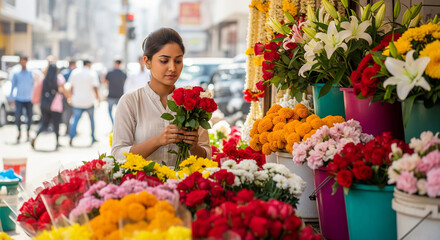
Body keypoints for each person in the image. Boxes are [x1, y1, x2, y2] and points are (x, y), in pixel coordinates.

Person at [111, 28, 212, 165]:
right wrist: (157, 141)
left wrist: (194, 147)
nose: (172, 68)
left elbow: (206, 157)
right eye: (164, 61)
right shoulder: (131, 101)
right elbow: (118, 154)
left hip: (184, 183)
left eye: (178, 61)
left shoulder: (192, 102)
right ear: (147, 62)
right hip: (142, 184)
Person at [30, 61, 67, 150]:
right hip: (56, 104)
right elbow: (63, 90)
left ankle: (35, 136)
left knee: (44, 123)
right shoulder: (59, 79)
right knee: (56, 124)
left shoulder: (43, 80)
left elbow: (38, 91)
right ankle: (57, 142)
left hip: (45, 104)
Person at [68, 59, 100, 146]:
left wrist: (70, 97)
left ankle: (71, 137)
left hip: (77, 100)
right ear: (89, 64)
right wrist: (98, 98)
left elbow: (71, 86)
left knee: (75, 120)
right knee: (91, 120)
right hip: (89, 101)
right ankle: (93, 137)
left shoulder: (75, 72)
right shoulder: (92, 73)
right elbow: (95, 87)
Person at [8, 56, 34, 142]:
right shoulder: (16, 73)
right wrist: (11, 97)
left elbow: (35, 85)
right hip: (19, 98)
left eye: (24, 61)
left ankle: (28, 131)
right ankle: (19, 131)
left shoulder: (31, 73)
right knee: (18, 116)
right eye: (21, 61)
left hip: (29, 98)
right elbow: (13, 86)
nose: (23, 63)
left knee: (30, 116)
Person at [102, 57, 126, 125]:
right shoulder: (123, 73)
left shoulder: (110, 73)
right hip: (120, 96)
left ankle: (114, 123)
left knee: (109, 111)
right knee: (120, 113)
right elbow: (125, 83)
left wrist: (103, 75)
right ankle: (118, 124)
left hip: (111, 95)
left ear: (115, 63)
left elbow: (104, 82)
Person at [60, 58, 76, 135]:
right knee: (73, 113)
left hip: (64, 96)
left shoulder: (63, 73)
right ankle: (72, 129)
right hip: (73, 96)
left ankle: (67, 128)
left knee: (66, 113)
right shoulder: (75, 72)